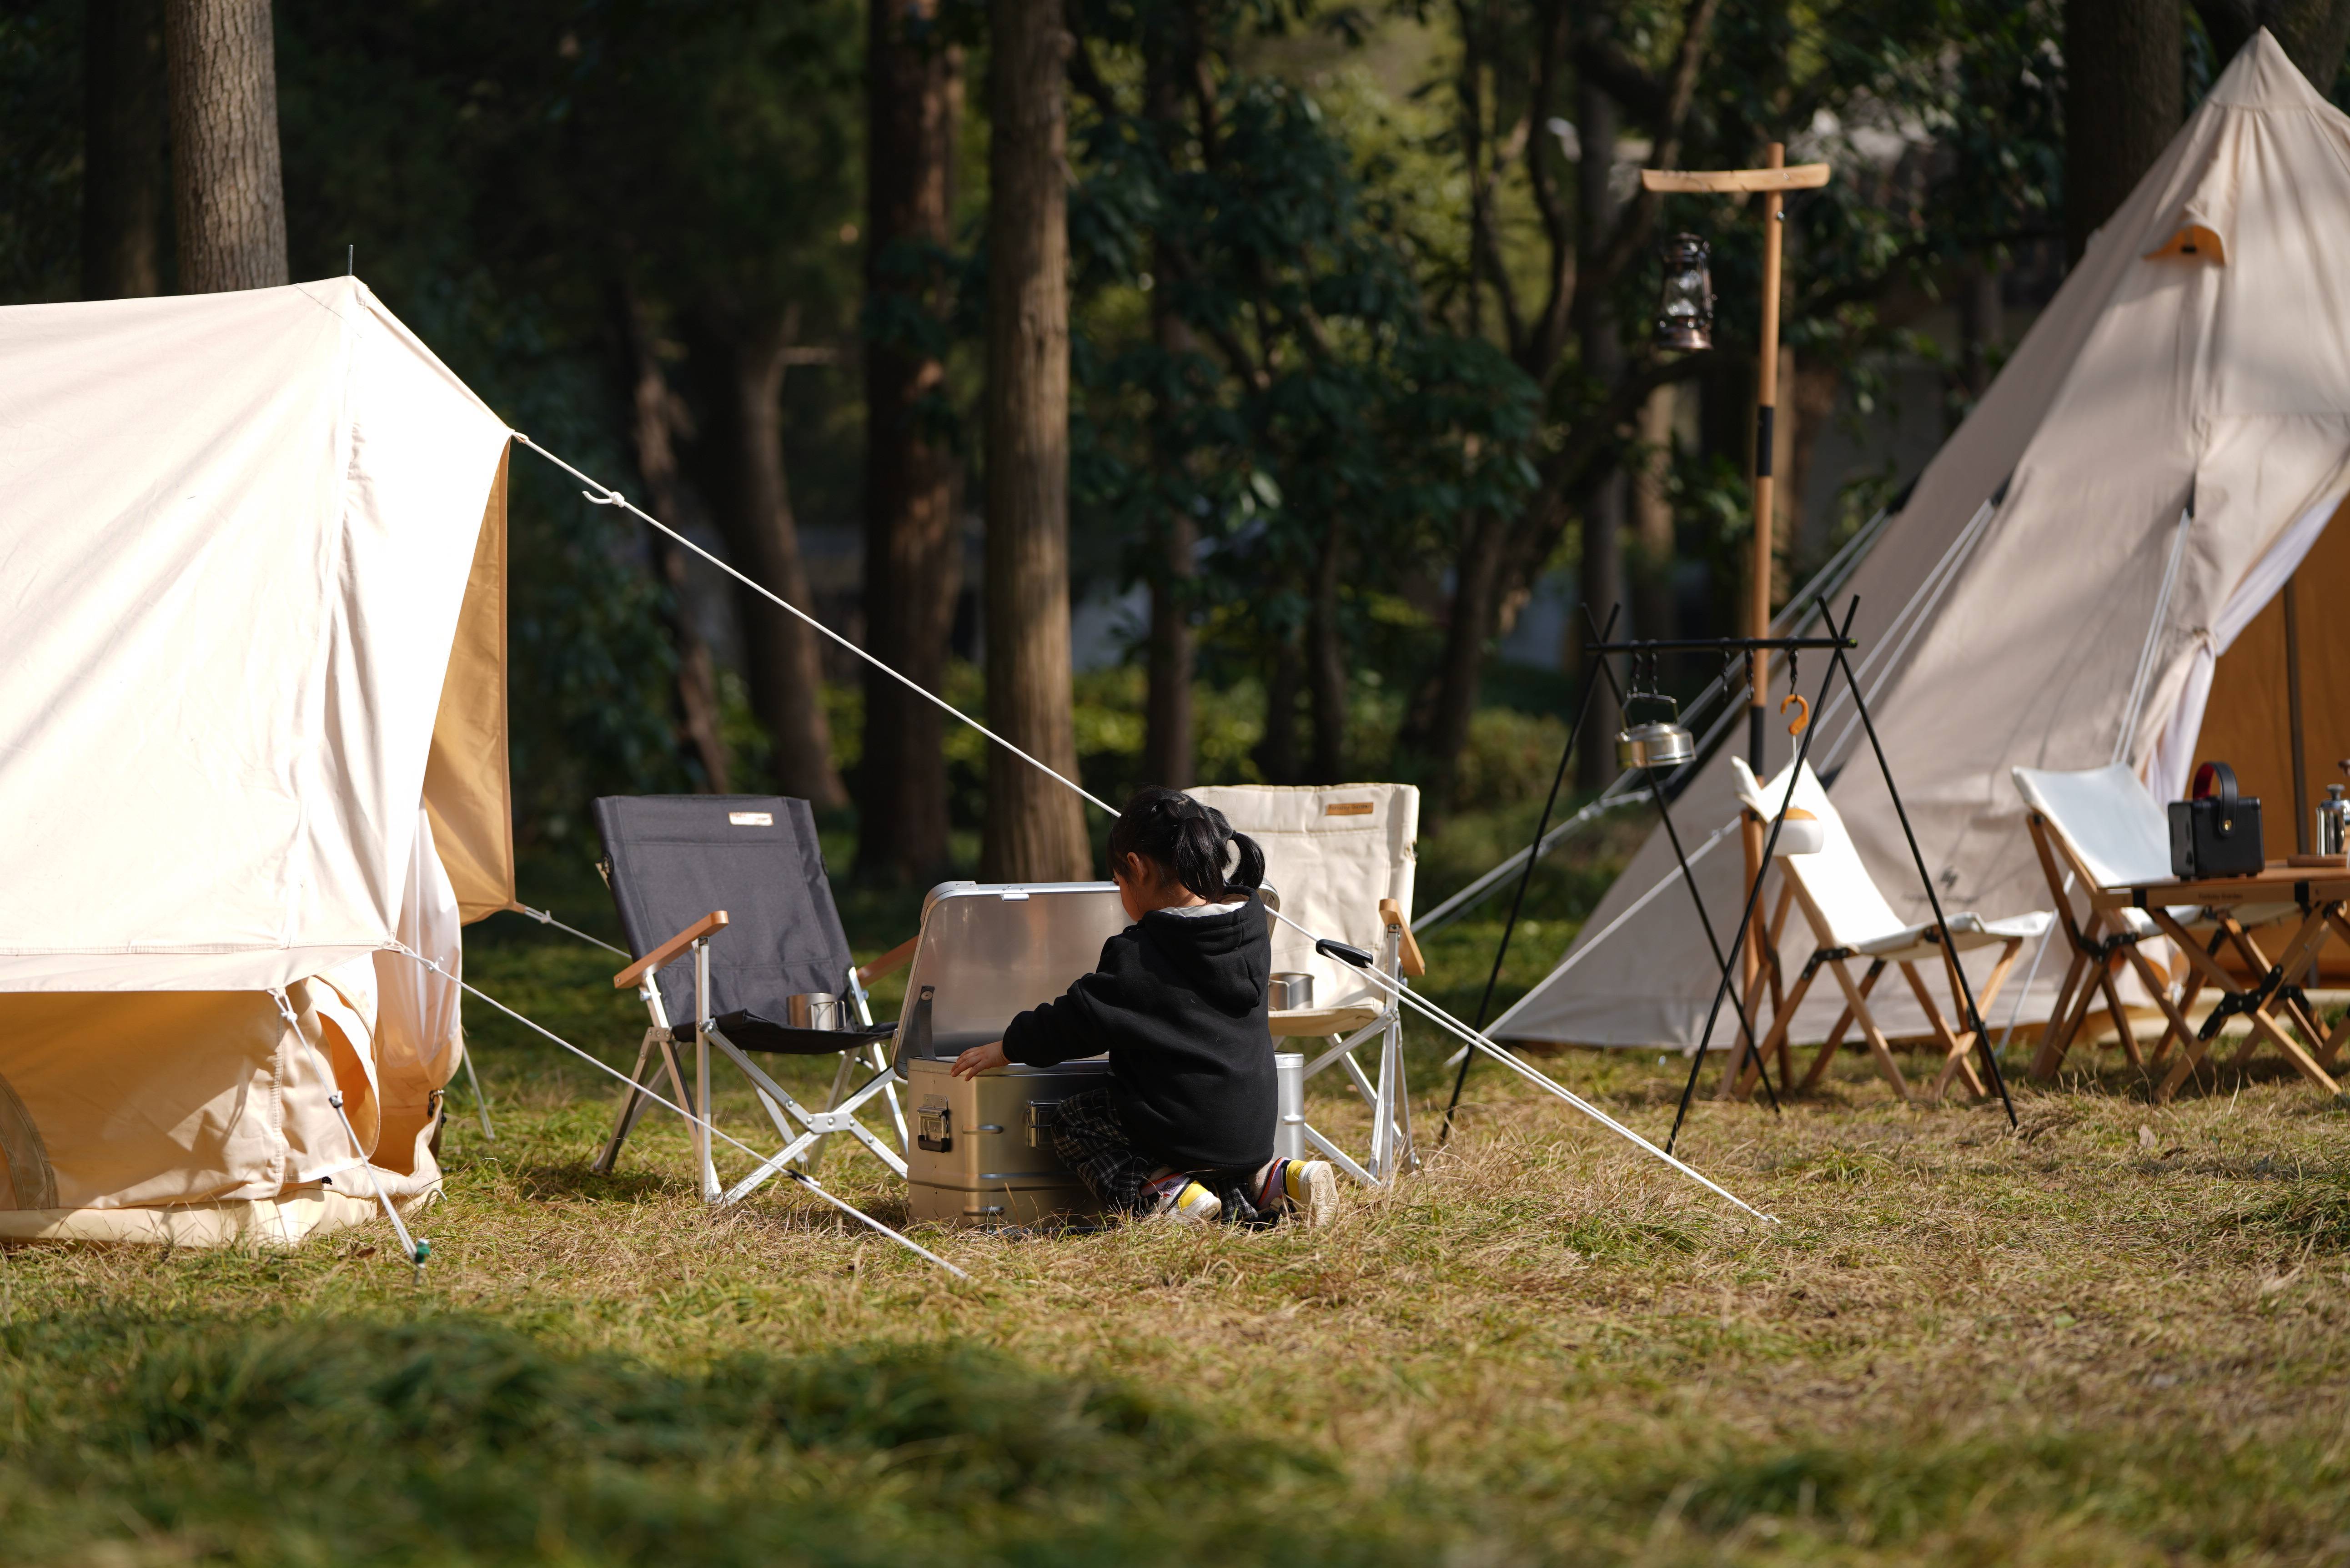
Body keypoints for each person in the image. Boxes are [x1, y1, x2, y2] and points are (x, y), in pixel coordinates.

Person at [950, 788, 1339, 1227]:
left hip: (1181, 1128)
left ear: (1136, 867)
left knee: (1076, 1119)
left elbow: (1077, 1021)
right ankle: (1278, 1177)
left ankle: (1166, 1194)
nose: (1120, 893)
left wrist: (1008, 1047)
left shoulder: (1141, 953)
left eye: (1118, 883)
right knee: (1210, 1160)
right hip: (1250, 1134)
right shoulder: (1249, 928)